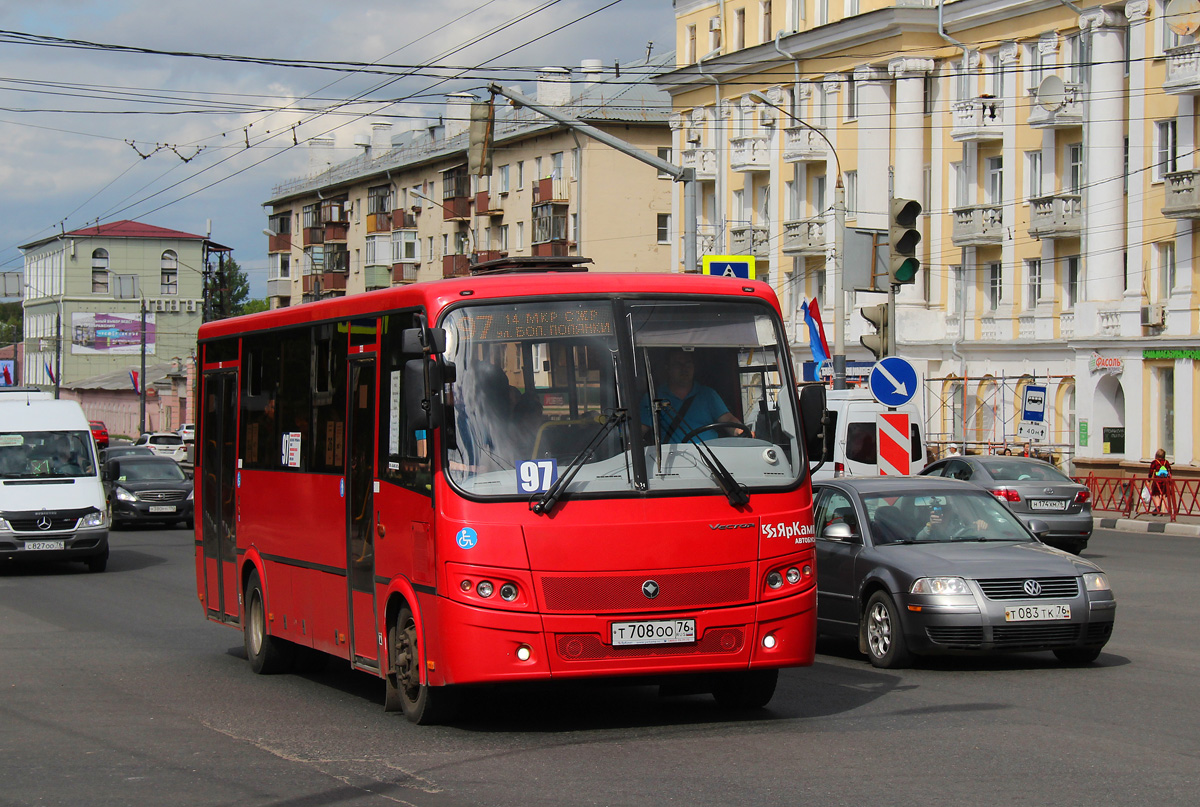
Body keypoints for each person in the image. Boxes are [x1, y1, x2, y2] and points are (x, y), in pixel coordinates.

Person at [640, 349, 739, 443]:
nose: (684, 368)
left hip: (710, 457)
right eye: (678, 364)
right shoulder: (653, 398)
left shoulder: (707, 394)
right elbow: (639, 432)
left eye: (688, 363)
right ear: (668, 368)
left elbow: (728, 420)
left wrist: (739, 431)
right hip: (672, 458)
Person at [1149, 448, 1172, 516]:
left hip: (1157, 481)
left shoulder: (1154, 462)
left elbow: (1151, 472)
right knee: (1164, 495)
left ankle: (1158, 507)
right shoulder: (1166, 462)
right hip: (1165, 481)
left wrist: (1149, 479)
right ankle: (1163, 511)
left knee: (1156, 494)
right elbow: (1169, 471)